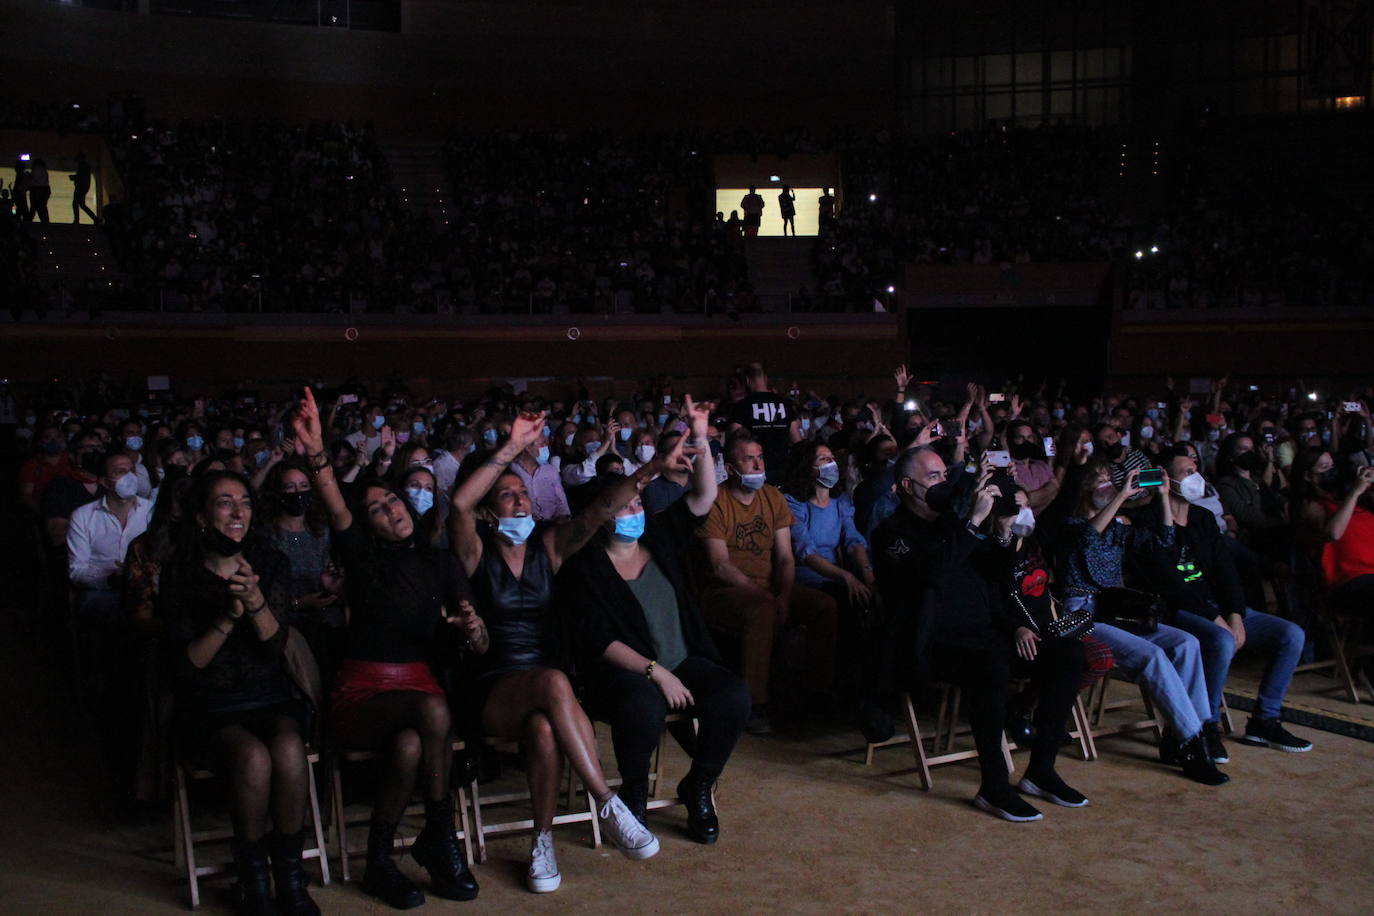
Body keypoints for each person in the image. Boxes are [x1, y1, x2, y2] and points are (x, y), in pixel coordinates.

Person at [450, 409, 662, 893]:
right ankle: (607, 801)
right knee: (552, 682)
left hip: (550, 694)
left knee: (545, 728)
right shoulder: (475, 549)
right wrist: (510, 446)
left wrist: (650, 469)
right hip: (492, 686)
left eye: (523, 492)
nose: (520, 499)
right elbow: (458, 505)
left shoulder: (548, 548)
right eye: (507, 494)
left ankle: (541, 843)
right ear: (490, 509)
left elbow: (599, 511)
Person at [291, 389, 480, 909]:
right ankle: (440, 839)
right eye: (376, 508)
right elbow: (333, 501)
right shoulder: (363, 559)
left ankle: (378, 861)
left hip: (418, 693)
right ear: (368, 524)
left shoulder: (440, 563)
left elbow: (476, 635)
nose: (390, 510)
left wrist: (472, 626)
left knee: (411, 745)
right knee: (434, 707)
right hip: (363, 693)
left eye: (392, 500)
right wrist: (316, 453)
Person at [562, 396, 749, 842]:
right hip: (620, 673)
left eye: (636, 505)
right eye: (623, 507)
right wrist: (655, 672)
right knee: (642, 704)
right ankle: (634, 796)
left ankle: (698, 785)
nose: (634, 512)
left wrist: (701, 436)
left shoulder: (661, 538)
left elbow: (703, 497)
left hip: (682, 660)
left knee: (733, 696)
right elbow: (597, 639)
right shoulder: (583, 566)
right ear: (602, 516)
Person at [159, 471, 320, 916]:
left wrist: (255, 603)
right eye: (224, 502)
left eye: (245, 502)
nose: (237, 512)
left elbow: (273, 648)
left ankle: (289, 873)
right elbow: (188, 666)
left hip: (267, 695)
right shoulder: (180, 573)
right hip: (209, 705)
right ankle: (253, 879)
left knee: (288, 748)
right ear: (202, 515)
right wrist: (228, 617)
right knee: (252, 756)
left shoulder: (269, 563)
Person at [1057, 461, 1227, 784]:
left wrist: (1163, 496)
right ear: (1086, 488)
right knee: (1153, 657)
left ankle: (1194, 730)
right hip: (1080, 614)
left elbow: (1163, 540)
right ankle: (1193, 745)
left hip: (1116, 610)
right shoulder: (1070, 524)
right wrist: (1121, 496)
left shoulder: (1120, 528)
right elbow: (1087, 538)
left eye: (1112, 479)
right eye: (1101, 479)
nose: (1108, 485)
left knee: (1186, 643)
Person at [1137, 452, 1312, 755]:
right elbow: (1168, 581)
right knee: (1220, 640)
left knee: (1291, 635)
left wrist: (1234, 614)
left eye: (1196, 469)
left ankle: (1265, 720)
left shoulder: (1203, 518)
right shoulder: (1148, 521)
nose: (1195, 476)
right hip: (1175, 610)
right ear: (1166, 476)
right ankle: (1206, 725)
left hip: (1214, 605)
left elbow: (1226, 571)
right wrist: (1214, 617)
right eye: (1186, 471)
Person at [697, 432, 836, 734]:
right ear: (731, 467)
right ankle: (754, 704)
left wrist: (783, 596)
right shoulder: (716, 502)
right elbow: (720, 566)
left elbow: (786, 558)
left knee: (824, 606)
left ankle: (817, 693)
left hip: (769, 587)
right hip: (725, 591)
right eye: (749, 459)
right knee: (762, 611)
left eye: (760, 457)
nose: (758, 464)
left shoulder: (772, 497)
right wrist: (767, 598)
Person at [1291, 448, 1374, 623]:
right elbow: (1334, 533)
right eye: (1324, 467)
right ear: (1308, 476)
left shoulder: (1351, 502)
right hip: (1349, 582)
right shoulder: (1310, 506)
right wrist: (1355, 492)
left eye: (1333, 466)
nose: (1332, 471)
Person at [726, 361, 798, 485]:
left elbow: (734, 441)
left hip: (754, 470)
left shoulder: (741, 406)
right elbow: (797, 440)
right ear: (765, 378)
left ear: (747, 380)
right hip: (783, 468)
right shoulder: (787, 404)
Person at [70, 150, 98, 224]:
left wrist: (74, 177)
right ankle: (95, 218)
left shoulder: (83, 166)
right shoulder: (85, 166)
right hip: (82, 187)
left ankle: (77, 220)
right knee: (81, 205)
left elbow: (81, 177)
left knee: (76, 204)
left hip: (80, 188)